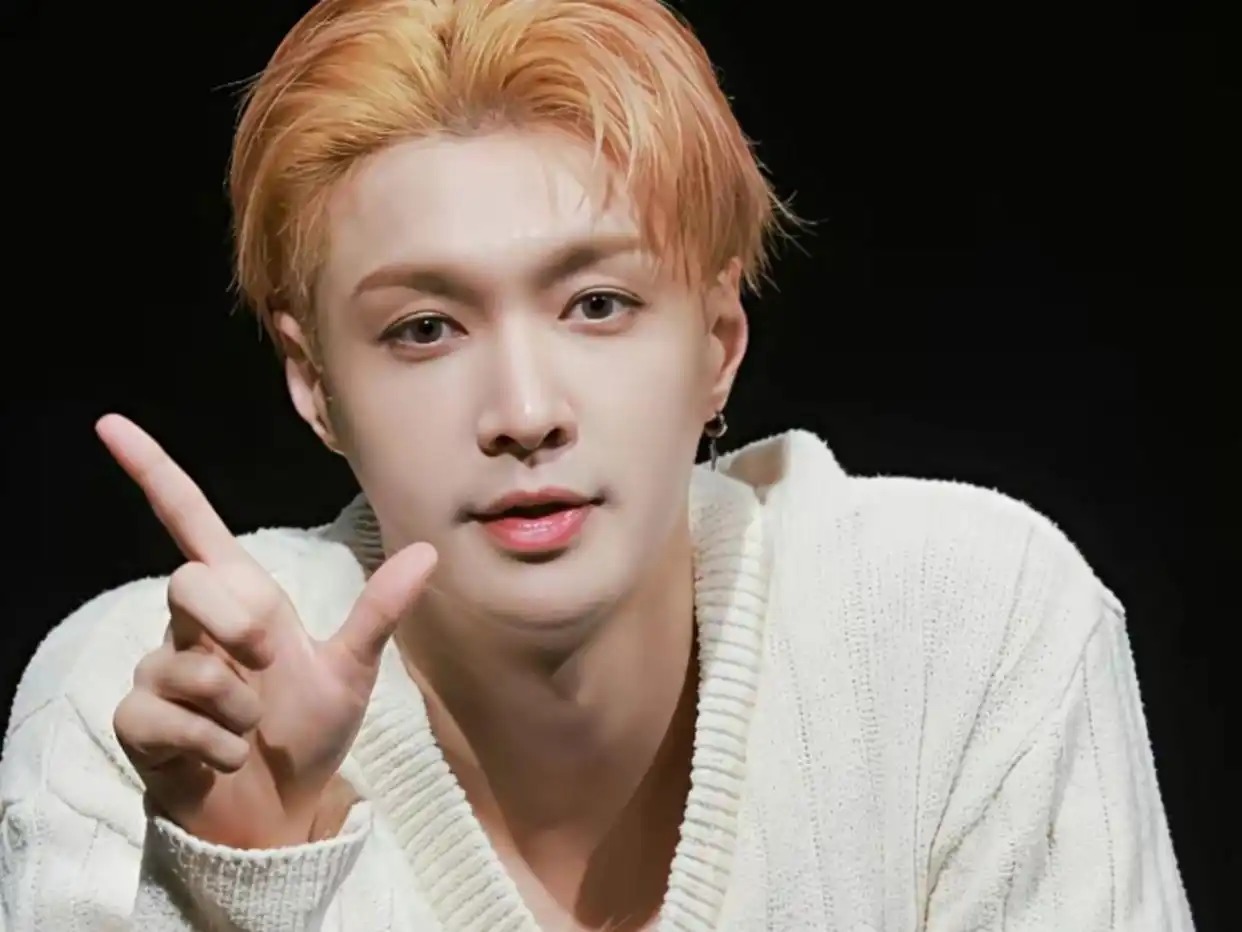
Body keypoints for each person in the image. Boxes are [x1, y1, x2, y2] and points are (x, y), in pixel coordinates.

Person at [0, 0, 1195, 929]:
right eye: (425, 327)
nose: (525, 412)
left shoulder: (961, 630)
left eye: (599, 304)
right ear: (315, 383)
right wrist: (244, 872)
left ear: (717, 342)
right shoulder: (156, 701)